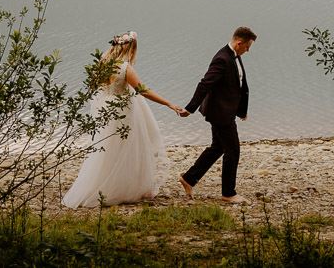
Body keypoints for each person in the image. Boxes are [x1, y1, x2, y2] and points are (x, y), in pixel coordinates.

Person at [62, 31, 186, 208]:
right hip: (123, 112)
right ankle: (127, 189)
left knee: (108, 151)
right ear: (131, 48)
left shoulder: (101, 64)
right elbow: (143, 91)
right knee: (130, 149)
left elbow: (93, 86)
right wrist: (169, 103)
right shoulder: (125, 68)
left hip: (106, 111)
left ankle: (102, 187)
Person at [178, 26, 256, 204]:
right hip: (221, 113)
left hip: (226, 110)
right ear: (239, 43)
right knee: (233, 150)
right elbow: (205, 84)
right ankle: (228, 193)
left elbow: (238, 85)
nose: (248, 50)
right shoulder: (222, 58)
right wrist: (190, 108)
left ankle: (189, 179)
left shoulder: (234, 55)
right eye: (247, 47)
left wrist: (241, 110)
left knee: (218, 147)